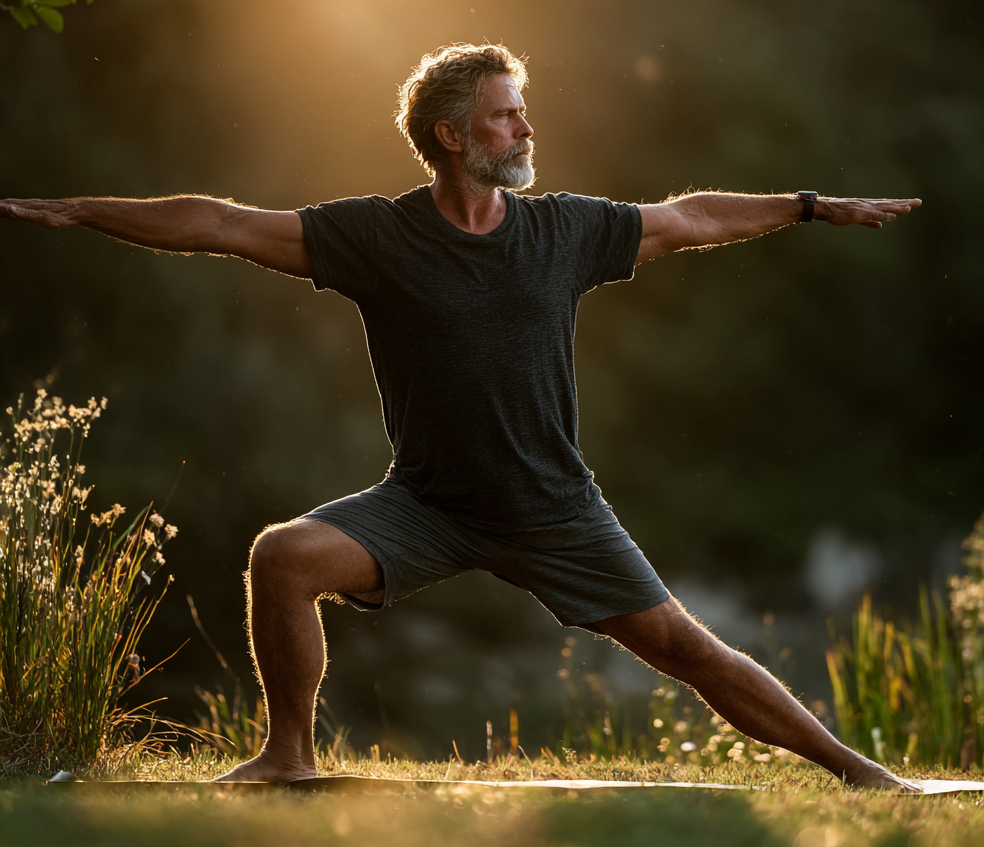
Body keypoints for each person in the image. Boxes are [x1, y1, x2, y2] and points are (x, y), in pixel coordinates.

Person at [0, 43, 922, 790]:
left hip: (553, 506)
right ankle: (288, 756)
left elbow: (689, 217)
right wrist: (83, 210)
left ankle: (856, 772)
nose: (525, 124)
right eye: (505, 113)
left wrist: (810, 205)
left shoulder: (563, 231)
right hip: (427, 507)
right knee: (283, 556)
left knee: (689, 648)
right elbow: (223, 224)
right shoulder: (377, 238)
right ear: (451, 135)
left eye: (520, 109)